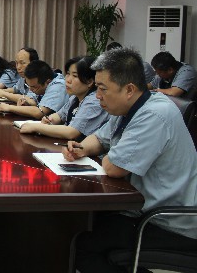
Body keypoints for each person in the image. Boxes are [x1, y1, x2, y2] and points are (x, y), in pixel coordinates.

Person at [65, 48, 197, 273]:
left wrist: (107, 155)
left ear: (129, 89)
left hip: (168, 222)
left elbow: (114, 168)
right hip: (139, 207)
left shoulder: (154, 114)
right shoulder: (130, 107)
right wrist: (81, 148)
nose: (97, 96)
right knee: (76, 225)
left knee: (82, 246)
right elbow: (99, 138)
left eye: (102, 89)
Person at [19, 56, 109, 140]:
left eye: (75, 76)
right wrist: (50, 119)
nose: (68, 80)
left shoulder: (94, 101)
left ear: (89, 82)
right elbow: (59, 115)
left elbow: (71, 132)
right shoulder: (75, 97)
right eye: (68, 74)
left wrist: (36, 127)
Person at [0, 59, 67, 119]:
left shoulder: (58, 85)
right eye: (29, 86)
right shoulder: (37, 83)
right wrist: (26, 103)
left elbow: (39, 112)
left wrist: (10, 108)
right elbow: (33, 101)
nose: (30, 90)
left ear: (47, 82)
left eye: (34, 87)